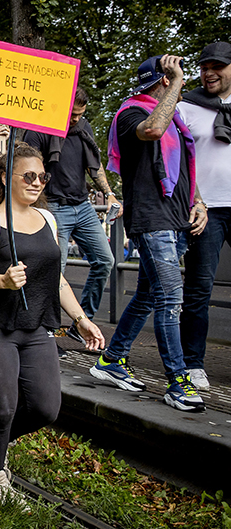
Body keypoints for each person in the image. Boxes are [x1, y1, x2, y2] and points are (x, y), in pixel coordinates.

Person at [0, 142, 105, 508]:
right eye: (29, 175)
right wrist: (1, 281)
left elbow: (56, 279)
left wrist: (81, 319)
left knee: (45, 408)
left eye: (43, 176)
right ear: (7, 178)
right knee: (3, 408)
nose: (37, 182)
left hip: (36, 328)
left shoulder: (49, 220)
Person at [92, 54, 209, 412]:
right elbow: (152, 130)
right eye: (172, 82)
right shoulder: (130, 114)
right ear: (160, 82)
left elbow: (186, 170)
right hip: (151, 220)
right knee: (171, 300)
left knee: (146, 295)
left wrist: (199, 202)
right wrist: (175, 84)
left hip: (174, 219)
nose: (180, 87)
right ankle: (177, 382)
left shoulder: (174, 120)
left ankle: (112, 360)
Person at [22, 87, 120, 343]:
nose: (76, 119)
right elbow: (27, 165)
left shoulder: (83, 129)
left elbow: (94, 167)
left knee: (105, 260)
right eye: (72, 114)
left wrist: (108, 194)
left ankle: (82, 320)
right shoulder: (40, 129)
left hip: (83, 207)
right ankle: (46, 332)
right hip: (54, 207)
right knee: (55, 270)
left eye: (80, 114)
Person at [178, 42, 231, 390]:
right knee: (199, 288)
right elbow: (176, 160)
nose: (209, 72)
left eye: (218, 66)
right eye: (204, 66)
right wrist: (195, 199)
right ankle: (192, 362)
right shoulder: (186, 107)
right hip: (205, 209)